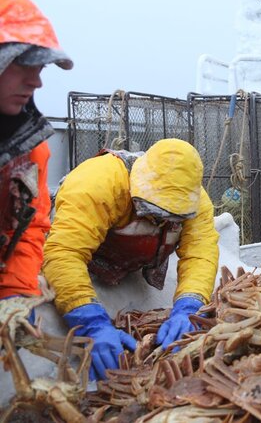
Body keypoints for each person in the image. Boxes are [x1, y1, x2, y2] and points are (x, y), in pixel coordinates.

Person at [43, 139, 219, 380]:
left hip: (133, 264)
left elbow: (201, 253)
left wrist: (189, 305)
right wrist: (91, 321)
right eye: (155, 213)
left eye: (171, 217)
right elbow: (64, 253)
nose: (160, 222)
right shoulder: (97, 181)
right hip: (84, 260)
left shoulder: (194, 197)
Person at [0, 0, 72, 303]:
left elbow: (28, 228)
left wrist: (15, 294)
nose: (37, 81)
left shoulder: (30, 148)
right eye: (24, 63)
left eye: (41, 66)